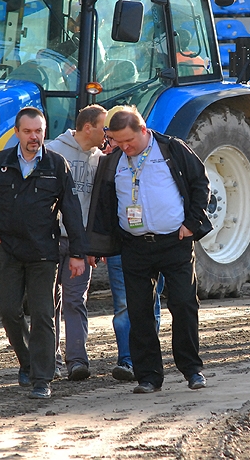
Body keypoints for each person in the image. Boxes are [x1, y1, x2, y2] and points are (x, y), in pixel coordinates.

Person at [88, 106, 211, 393]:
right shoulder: (113, 161)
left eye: (129, 140)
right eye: (119, 142)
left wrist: (191, 224)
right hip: (134, 246)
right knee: (139, 311)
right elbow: (103, 203)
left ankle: (192, 370)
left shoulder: (172, 150)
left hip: (175, 242)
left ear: (143, 130)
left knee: (183, 303)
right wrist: (98, 244)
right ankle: (149, 376)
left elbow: (200, 184)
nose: (125, 147)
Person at [0, 106, 88, 399]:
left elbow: (72, 212)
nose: (33, 137)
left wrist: (78, 252)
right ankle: (27, 362)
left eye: (38, 131)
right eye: (27, 131)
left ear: (44, 132)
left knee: (43, 315)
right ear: (17, 133)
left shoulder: (56, 165)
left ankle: (42, 379)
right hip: (7, 252)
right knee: (9, 310)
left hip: (43, 253)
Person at [46, 105, 107, 382]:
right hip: (51, 238)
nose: (107, 133)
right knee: (48, 301)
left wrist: (92, 245)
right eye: (103, 127)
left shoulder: (99, 159)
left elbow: (97, 205)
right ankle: (51, 360)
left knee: (75, 300)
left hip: (79, 244)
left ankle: (77, 361)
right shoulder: (53, 151)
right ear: (87, 128)